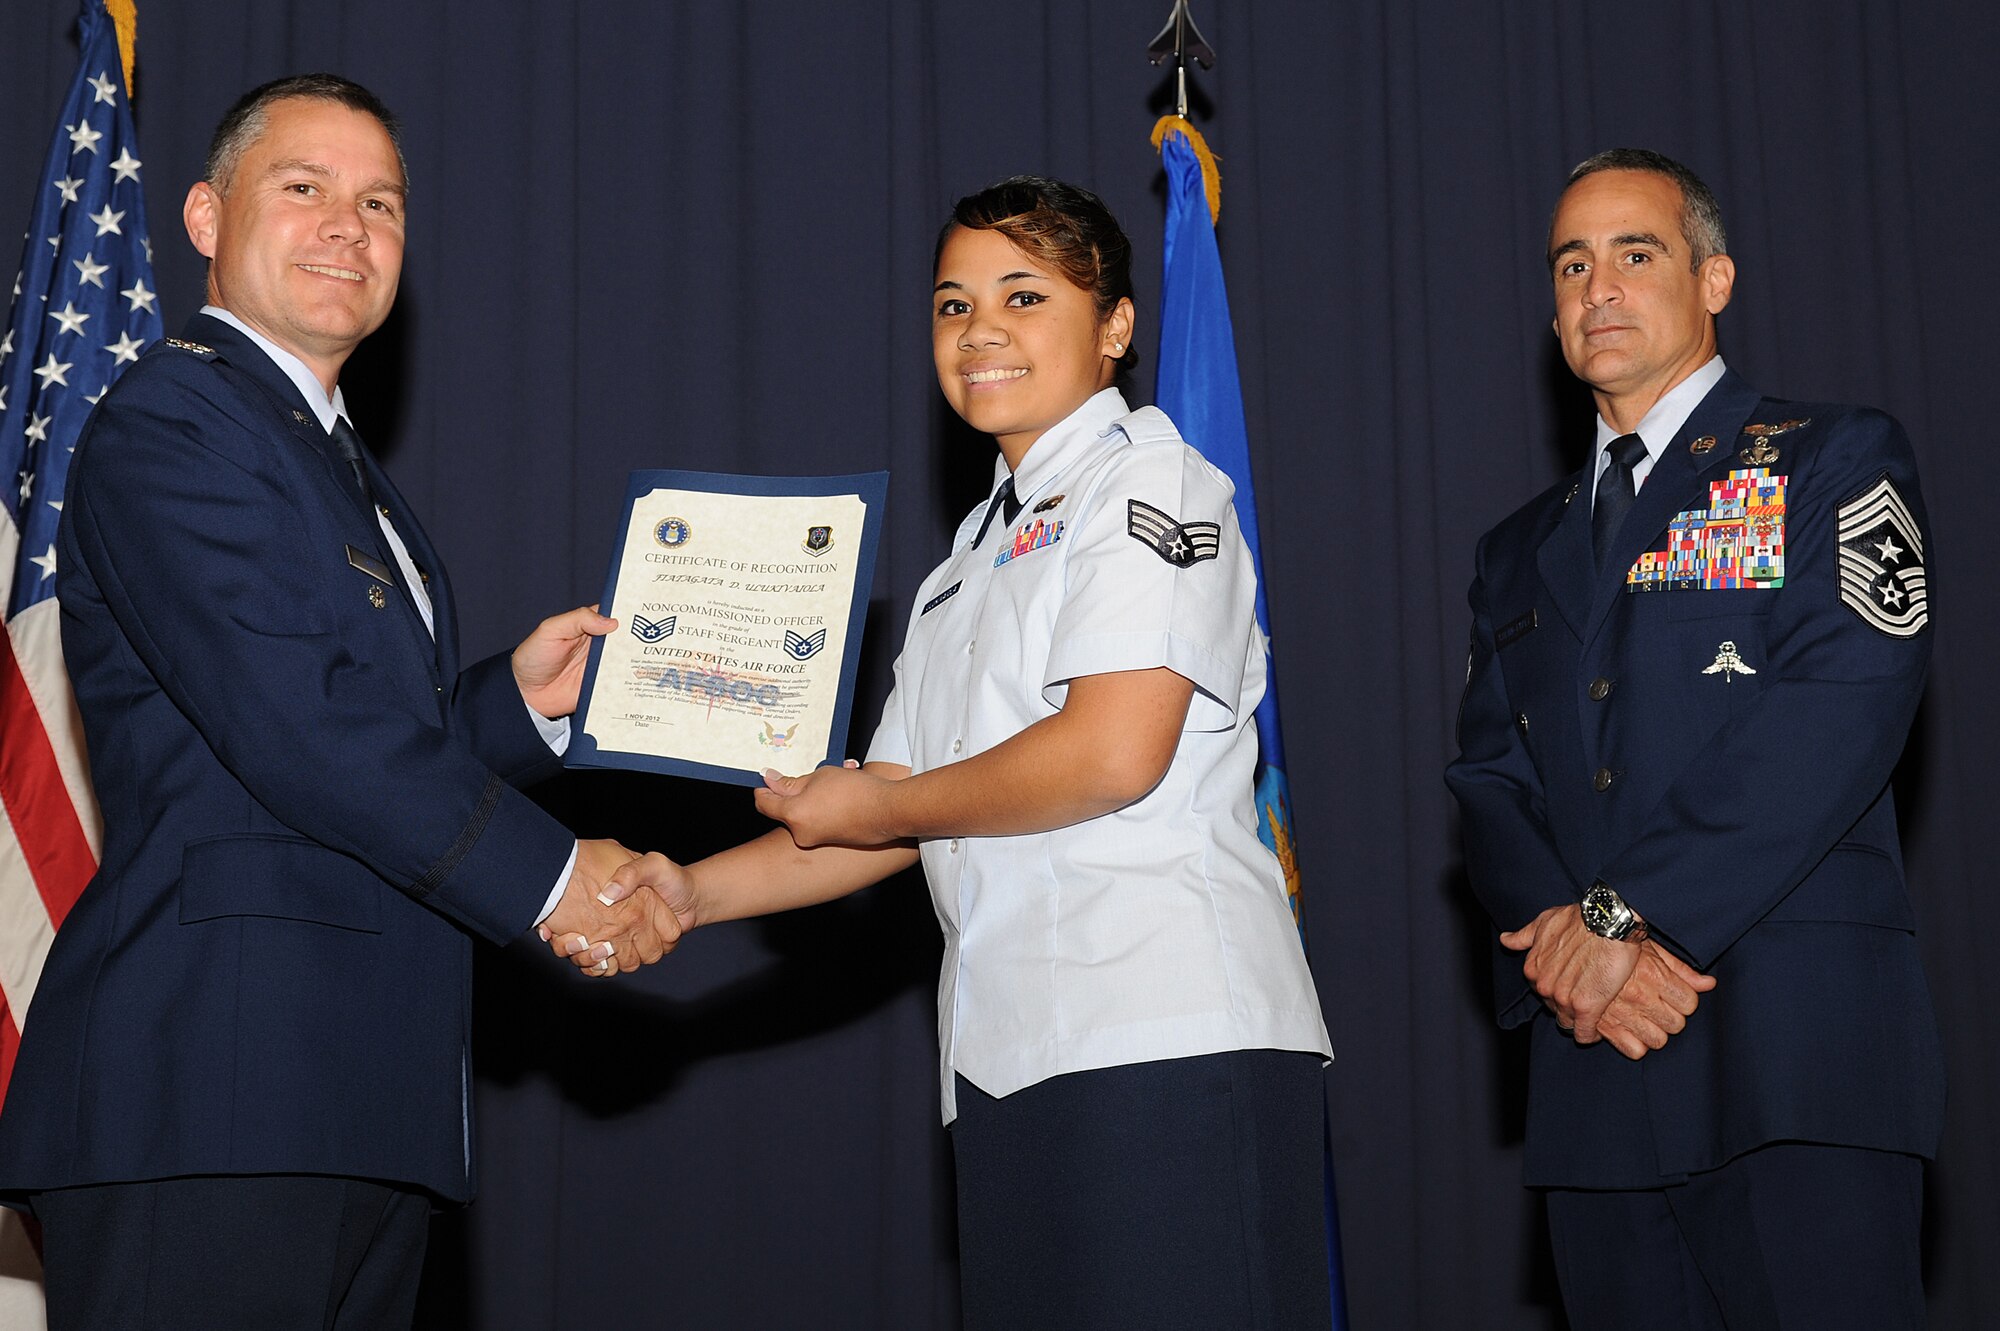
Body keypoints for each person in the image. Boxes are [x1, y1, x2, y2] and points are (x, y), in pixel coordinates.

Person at [0, 74, 673, 1327]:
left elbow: (336, 729)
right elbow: (296, 727)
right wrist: (554, 879)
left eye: (380, 202)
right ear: (205, 216)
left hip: (359, 1095)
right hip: (213, 1095)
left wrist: (511, 708)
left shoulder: (332, 458)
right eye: (302, 188)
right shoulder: (171, 418)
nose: (347, 227)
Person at [605, 176, 1332, 1328]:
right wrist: (686, 890)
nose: (979, 328)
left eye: (1022, 295)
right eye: (951, 304)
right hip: (1005, 1063)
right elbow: (887, 799)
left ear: (1115, 327)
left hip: (1164, 1040)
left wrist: (875, 810)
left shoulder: (1152, 483)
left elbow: (1109, 751)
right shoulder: (960, 566)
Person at [1447, 147, 1943, 1329]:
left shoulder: (1828, 455)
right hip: (1594, 1072)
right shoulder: (1515, 546)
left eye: (1635, 253)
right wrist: (1575, 959)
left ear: (1713, 279)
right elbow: (1486, 775)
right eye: (1571, 264)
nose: (1597, 289)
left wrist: (1625, 918)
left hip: (1792, 1053)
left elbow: (1842, 702)